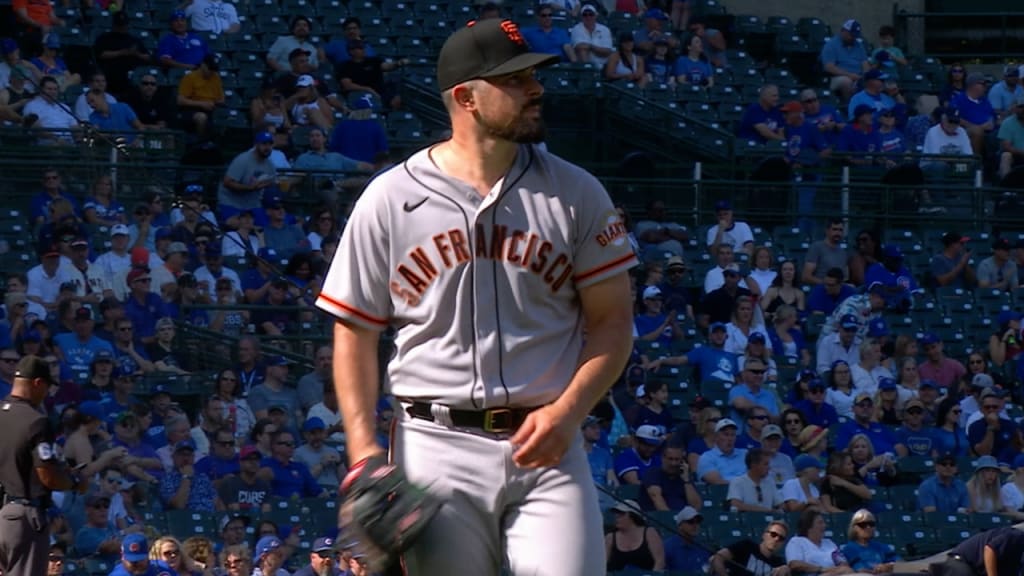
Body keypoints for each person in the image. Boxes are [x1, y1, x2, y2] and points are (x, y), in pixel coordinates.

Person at [316, 18, 636, 576]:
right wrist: (364, 451)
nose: (534, 88)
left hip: (549, 445)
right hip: (434, 449)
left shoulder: (577, 191)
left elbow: (613, 324)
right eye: (514, 79)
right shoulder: (390, 198)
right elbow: (354, 332)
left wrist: (569, 412)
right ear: (466, 98)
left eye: (533, 75)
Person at [0, 356, 86, 575]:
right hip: (25, 515)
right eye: (46, 386)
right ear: (37, 382)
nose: (47, 393)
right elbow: (47, 476)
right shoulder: (36, 421)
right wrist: (74, 482)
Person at [929, 526, 1024, 576]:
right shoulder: (1016, 536)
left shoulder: (1017, 561)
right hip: (961, 562)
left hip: (976, 569)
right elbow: (990, 549)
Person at [784, 509, 853, 576]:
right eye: (820, 523)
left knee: (848, 571)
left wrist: (838, 569)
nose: (824, 525)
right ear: (809, 527)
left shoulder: (829, 543)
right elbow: (795, 564)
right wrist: (822, 569)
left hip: (836, 573)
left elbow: (842, 562)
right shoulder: (797, 541)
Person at [710, 520, 790, 576]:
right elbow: (718, 557)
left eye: (781, 538)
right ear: (764, 535)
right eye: (773, 534)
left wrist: (787, 570)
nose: (776, 539)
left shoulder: (779, 564)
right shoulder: (747, 546)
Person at [605, 499, 665, 572]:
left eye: (621, 514)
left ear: (633, 516)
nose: (617, 517)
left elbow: (660, 561)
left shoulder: (649, 533)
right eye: (616, 513)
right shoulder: (610, 537)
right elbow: (603, 563)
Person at [841, 509, 899, 573]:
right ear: (854, 528)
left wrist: (888, 566)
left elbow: (899, 562)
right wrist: (880, 569)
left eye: (871, 524)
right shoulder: (849, 549)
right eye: (863, 524)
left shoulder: (881, 546)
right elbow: (860, 570)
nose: (868, 527)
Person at [663, 506, 711, 572]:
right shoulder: (668, 547)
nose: (695, 525)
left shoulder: (703, 547)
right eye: (690, 522)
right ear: (680, 526)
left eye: (698, 522)